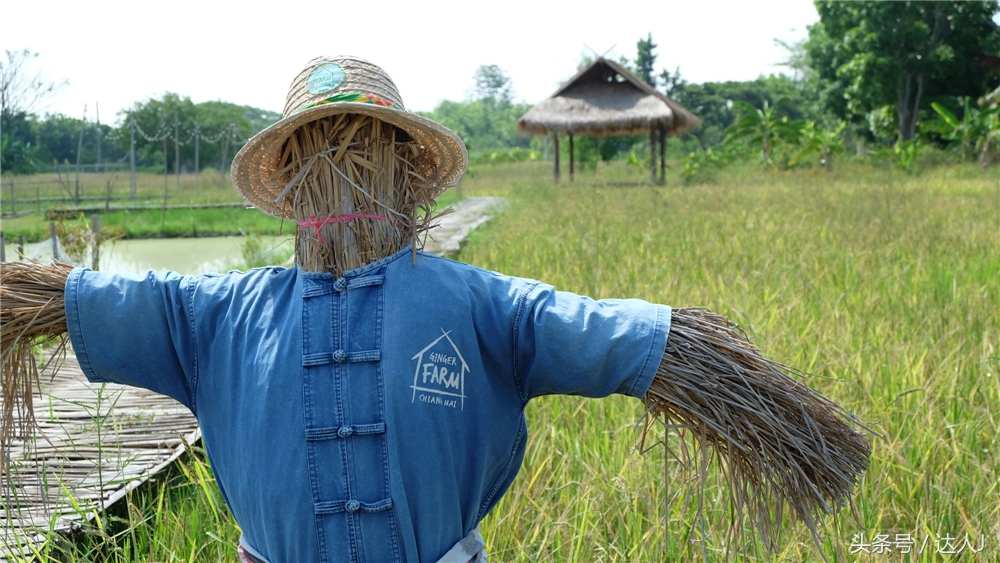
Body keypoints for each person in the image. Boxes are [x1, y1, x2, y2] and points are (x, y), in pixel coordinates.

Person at [13, 56, 867, 563]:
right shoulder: (216, 315)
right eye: (322, 149)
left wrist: (767, 413)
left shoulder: (482, 307)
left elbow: (622, 336)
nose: (339, 168)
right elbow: (76, 299)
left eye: (354, 147)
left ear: (405, 170)